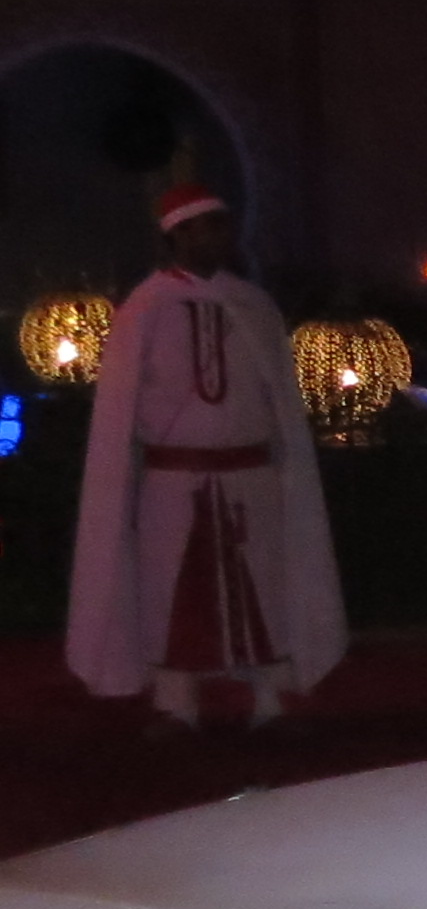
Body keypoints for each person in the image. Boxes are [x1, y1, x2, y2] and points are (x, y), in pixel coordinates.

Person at [65, 171, 347, 731]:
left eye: (221, 226)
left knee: (262, 583)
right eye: (204, 228)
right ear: (177, 235)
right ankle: (178, 702)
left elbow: (278, 397)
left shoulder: (254, 305)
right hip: (174, 479)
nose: (217, 237)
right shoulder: (144, 308)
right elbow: (121, 407)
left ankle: (268, 697)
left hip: (251, 473)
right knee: (173, 588)